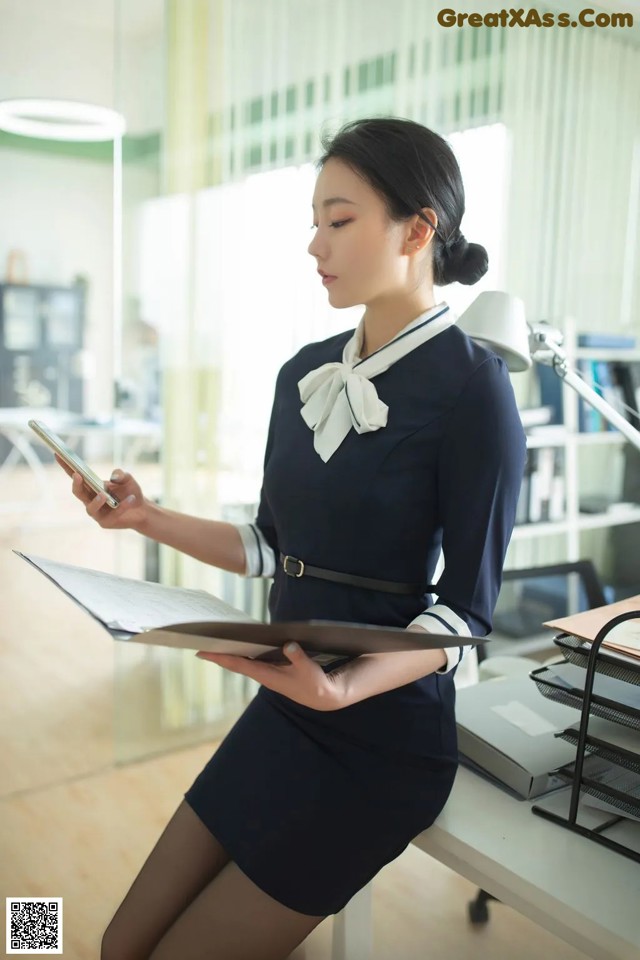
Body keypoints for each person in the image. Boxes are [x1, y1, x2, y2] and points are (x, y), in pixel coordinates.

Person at [60, 117, 526, 960]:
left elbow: (465, 618)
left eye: (339, 220)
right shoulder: (304, 371)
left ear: (417, 229)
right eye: (315, 220)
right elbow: (272, 547)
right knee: (117, 945)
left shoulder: (475, 389)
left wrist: (348, 692)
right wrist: (146, 516)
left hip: (381, 740)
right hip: (286, 709)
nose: (316, 244)